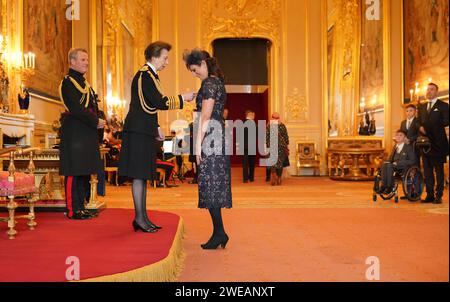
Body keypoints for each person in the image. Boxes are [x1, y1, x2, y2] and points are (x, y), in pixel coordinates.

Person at [118, 41, 195, 232]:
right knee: (138, 175)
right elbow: (158, 102)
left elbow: (148, 107)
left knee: (143, 175)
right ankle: (139, 218)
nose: (167, 62)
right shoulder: (145, 75)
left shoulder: (151, 75)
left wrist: (157, 126)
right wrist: (182, 98)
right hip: (137, 131)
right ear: (153, 57)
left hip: (143, 129)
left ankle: (142, 217)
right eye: (165, 57)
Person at [183, 48, 232, 249]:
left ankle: (219, 232)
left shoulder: (209, 83)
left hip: (210, 138)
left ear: (203, 63)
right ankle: (219, 232)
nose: (194, 74)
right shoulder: (216, 82)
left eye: (195, 70)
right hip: (216, 135)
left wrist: (196, 147)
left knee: (210, 185)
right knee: (212, 185)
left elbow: (205, 115)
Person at [59, 48, 105, 220]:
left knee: (84, 171)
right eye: (83, 59)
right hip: (74, 133)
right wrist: (95, 121)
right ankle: (73, 210)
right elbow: (76, 108)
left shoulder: (85, 83)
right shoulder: (68, 82)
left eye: (87, 59)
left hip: (86, 133)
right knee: (74, 171)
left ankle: (81, 207)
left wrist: (99, 120)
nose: (87, 62)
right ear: (73, 61)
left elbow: (93, 106)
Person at [417, 83, 449, 204]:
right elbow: (418, 121)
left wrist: (428, 128)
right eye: (428, 89)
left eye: (432, 89)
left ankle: (438, 195)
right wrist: (420, 127)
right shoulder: (422, 107)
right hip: (425, 143)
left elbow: (446, 121)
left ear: (437, 92)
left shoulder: (443, 105)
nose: (429, 91)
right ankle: (429, 194)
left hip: (438, 143)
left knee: (438, 170)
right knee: (427, 170)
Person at [376, 129, 416, 194]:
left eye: (401, 135)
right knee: (385, 164)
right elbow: (390, 159)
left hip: (403, 168)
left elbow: (412, 161)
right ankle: (383, 186)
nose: (398, 137)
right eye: (397, 135)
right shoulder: (395, 147)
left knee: (388, 166)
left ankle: (389, 187)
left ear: (404, 138)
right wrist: (386, 162)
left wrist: (398, 163)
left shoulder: (408, 148)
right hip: (393, 167)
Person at [266, 113, 289, 185]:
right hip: (281, 147)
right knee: (279, 163)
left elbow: (266, 137)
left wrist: (267, 146)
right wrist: (286, 145)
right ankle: (279, 178)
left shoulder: (269, 126)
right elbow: (286, 137)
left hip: (272, 146)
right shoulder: (282, 126)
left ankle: (274, 177)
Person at [242, 110, 256, 183]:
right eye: (252, 114)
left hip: (244, 146)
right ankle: (251, 178)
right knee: (251, 163)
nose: (253, 116)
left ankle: (245, 179)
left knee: (245, 163)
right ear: (249, 115)